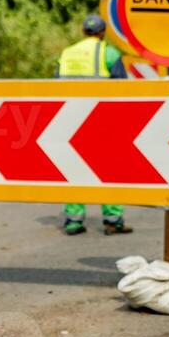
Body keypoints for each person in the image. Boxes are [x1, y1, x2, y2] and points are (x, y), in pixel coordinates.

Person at [58, 14, 133, 237]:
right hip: (102, 119)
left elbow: (54, 85)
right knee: (107, 169)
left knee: (73, 169)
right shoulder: (108, 52)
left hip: (69, 118)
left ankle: (73, 220)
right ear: (102, 33)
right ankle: (112, 220)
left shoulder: (67, 53)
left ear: (83, 32)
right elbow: (122, 88)